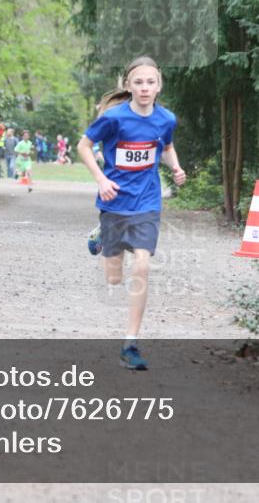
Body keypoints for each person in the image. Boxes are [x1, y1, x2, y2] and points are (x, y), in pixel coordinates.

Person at [76, 56, 185, 370]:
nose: (144, 88)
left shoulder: (166, 119)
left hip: (147, 202)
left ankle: (130, 343)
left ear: (159, 85)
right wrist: (101, 178)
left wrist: (175, 167)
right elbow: (83, 146)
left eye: (150, 82)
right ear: (128, 85)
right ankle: (100, 237)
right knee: (113, 278)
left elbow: (165, 147)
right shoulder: (114, 118)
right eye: (138, 82)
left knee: (142, 266)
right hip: (114, 201)